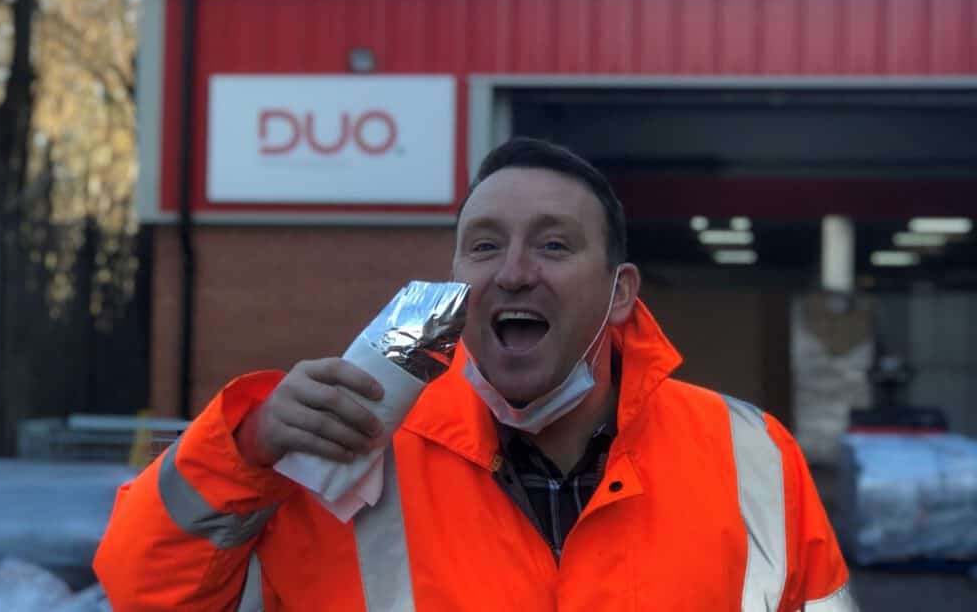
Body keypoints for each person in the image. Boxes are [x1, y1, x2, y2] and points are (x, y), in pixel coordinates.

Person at [95, 137, 857, 611]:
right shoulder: (345, 443)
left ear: (621, 292)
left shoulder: (752, 455)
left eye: (554, 246)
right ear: (455, 276)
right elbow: (142, 592)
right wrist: (244, 449)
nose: (514, 273)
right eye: (484, 246)